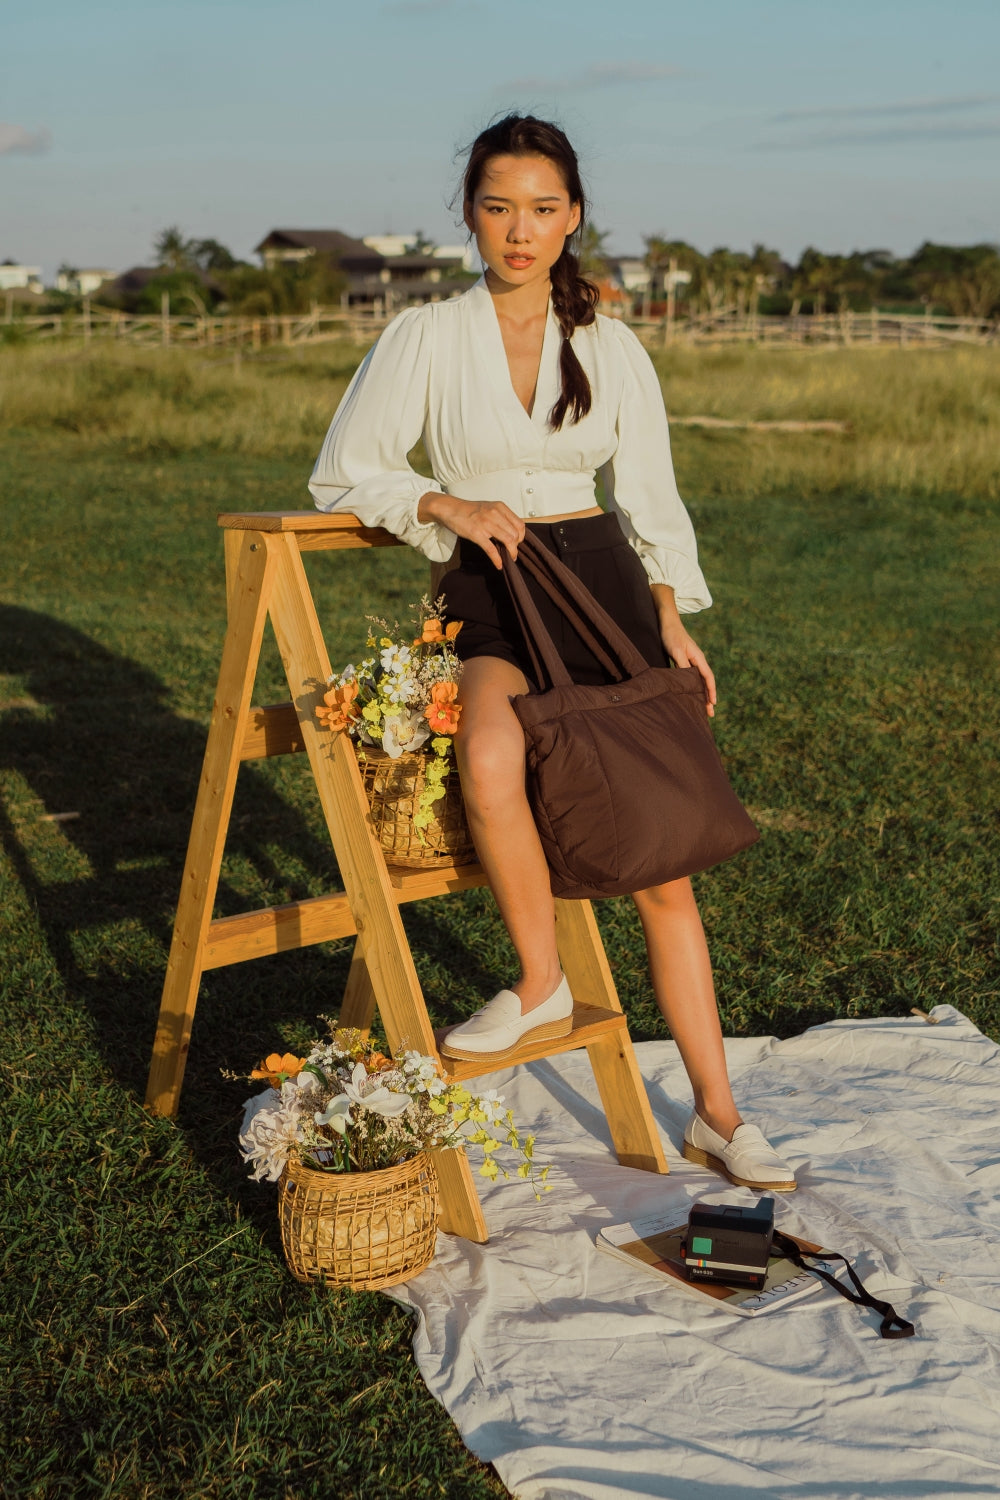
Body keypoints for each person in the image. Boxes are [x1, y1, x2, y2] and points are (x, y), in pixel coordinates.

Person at [310, 114, 795, 1192]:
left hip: (601, 584)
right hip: (488, 585)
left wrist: (670, 613)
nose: (518, 231)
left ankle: (718, 1113)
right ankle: (539, 980)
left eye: (540, 209)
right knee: (488, 752)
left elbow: (650, 497)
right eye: (497, 207)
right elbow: (346, 471)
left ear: (572, 217)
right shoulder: (426, 335)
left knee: (663, 869)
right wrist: (438, 497)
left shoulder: (613, 345)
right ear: (470, 216)